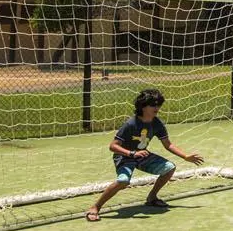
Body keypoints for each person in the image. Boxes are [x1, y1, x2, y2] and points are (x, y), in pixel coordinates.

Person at [86, 88, 203, 222]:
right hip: (124, 157)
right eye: (153, 104)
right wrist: (132, 153)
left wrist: (185, 156)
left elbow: (168, 144)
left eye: (159, 104)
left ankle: (152, 197)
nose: (157, 107)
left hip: (142, 156)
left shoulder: (157, 123)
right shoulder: (131, 124)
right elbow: (113, 146)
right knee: (123, 180)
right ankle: (95, 207)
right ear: (143, 106)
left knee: (169, 168)